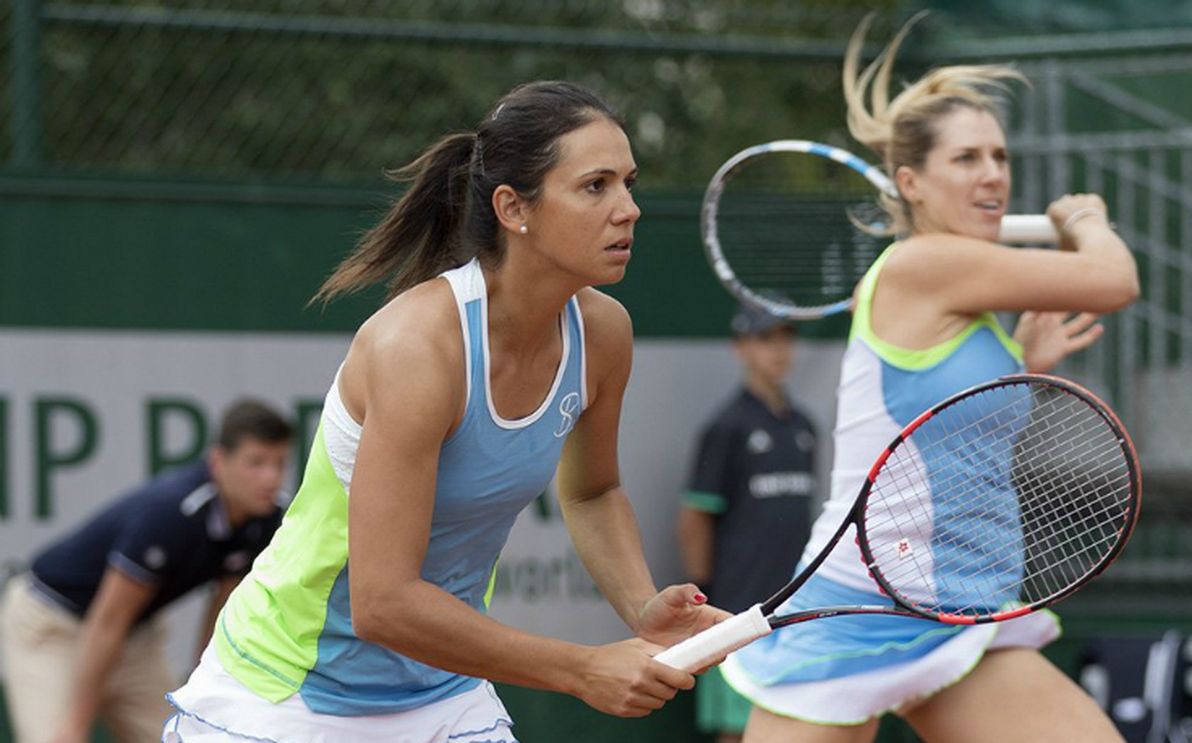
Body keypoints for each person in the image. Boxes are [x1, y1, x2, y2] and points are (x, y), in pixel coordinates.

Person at [162, 81, 726, 741]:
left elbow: (594, 489)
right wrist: (581, 669)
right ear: (515, 208)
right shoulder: (417, 347)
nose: (628, 208)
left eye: (629, 182)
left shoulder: (603, 335)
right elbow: (383, 602)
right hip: (283, 697)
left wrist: (641, 606)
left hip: (443, 695)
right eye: (595, 186)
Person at [718, 15, 1141, 743]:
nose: (993, 174)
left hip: (962, 609)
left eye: (1000, 156)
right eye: (968, 158)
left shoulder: (959, 295)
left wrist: (1021, 366)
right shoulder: (924, 264)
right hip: (861, 604)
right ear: (909, 182)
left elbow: (938, 427)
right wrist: (1088, 219)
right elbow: (1113, 278)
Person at [0, 400, 292, 743]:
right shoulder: (170, 514)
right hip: (51, 628)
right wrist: (75, 726)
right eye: (256, 463)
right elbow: (108, 620)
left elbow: (222, 612)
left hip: (133, 638)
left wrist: (208, 697)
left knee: (191, 737)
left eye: (279, 464)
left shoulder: (264, 518)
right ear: (218, 462)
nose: (270, 478)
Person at [675, 305, 817, 743]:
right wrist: (708, 595)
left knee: (795, 726)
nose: (777, 350)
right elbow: (694, 520)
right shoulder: (727, 427)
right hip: (736, 610)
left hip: (792, 610)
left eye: (784, 338)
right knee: (738, 731)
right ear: (740, 348)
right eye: (764, 339)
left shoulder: (805, 428)